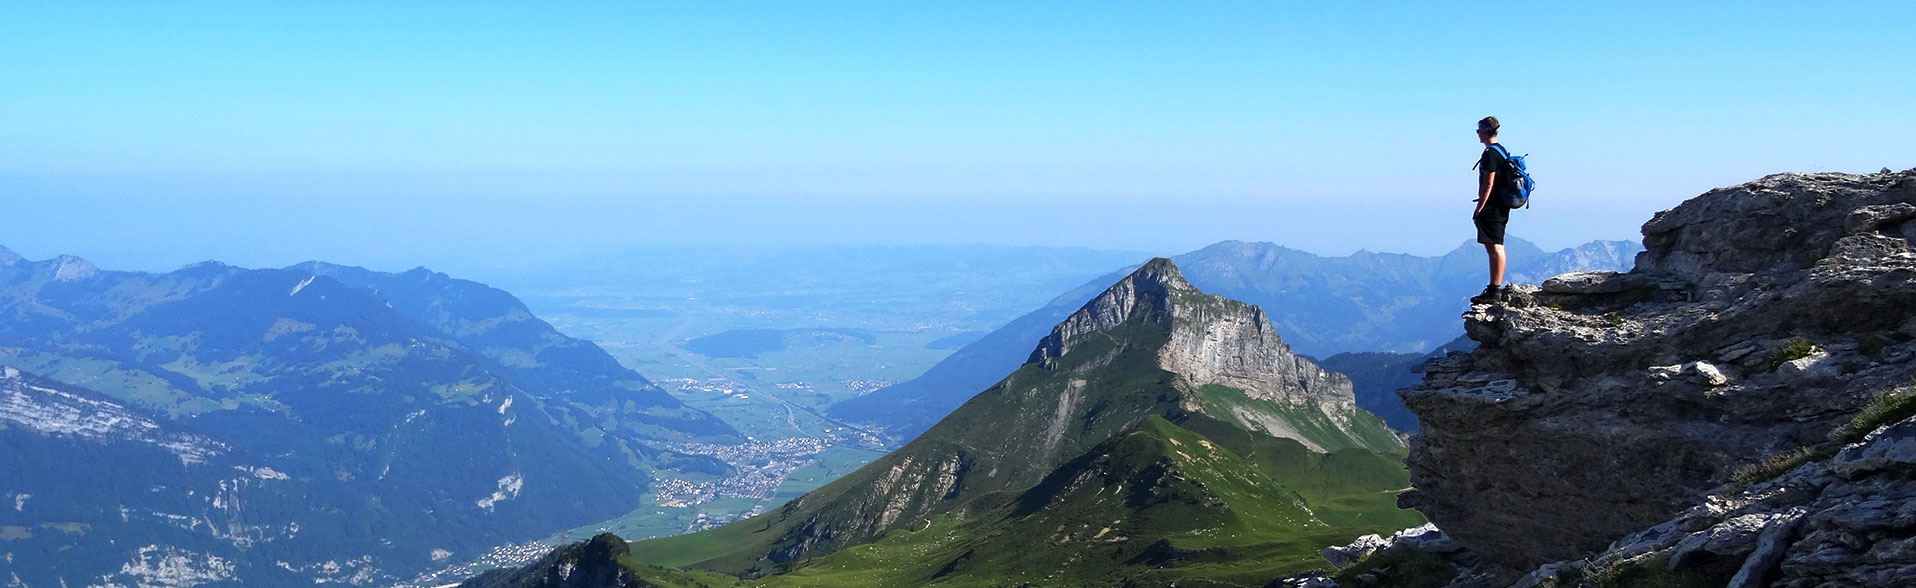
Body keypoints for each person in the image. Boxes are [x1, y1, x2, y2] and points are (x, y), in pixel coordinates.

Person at [1469, 116, 1513, 304]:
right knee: (1496, 245)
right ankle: (1494, 287)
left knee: (1494, 247)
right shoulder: (1501, 150)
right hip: (1501, 204)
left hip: (1492, 206)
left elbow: (1489, 183)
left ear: (1486, 131)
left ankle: (1494, 290)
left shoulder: (1490, 154)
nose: (1477, 133)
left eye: (1479, 130)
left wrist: (1480, 207)